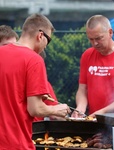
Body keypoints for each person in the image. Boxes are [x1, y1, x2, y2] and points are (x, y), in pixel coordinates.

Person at [0, 13, 70, 150]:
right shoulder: (34, 60)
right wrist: (56, 109)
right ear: (40, 36)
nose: (46, 46)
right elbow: (35, 109)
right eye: (48, 41)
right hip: (16, 144)